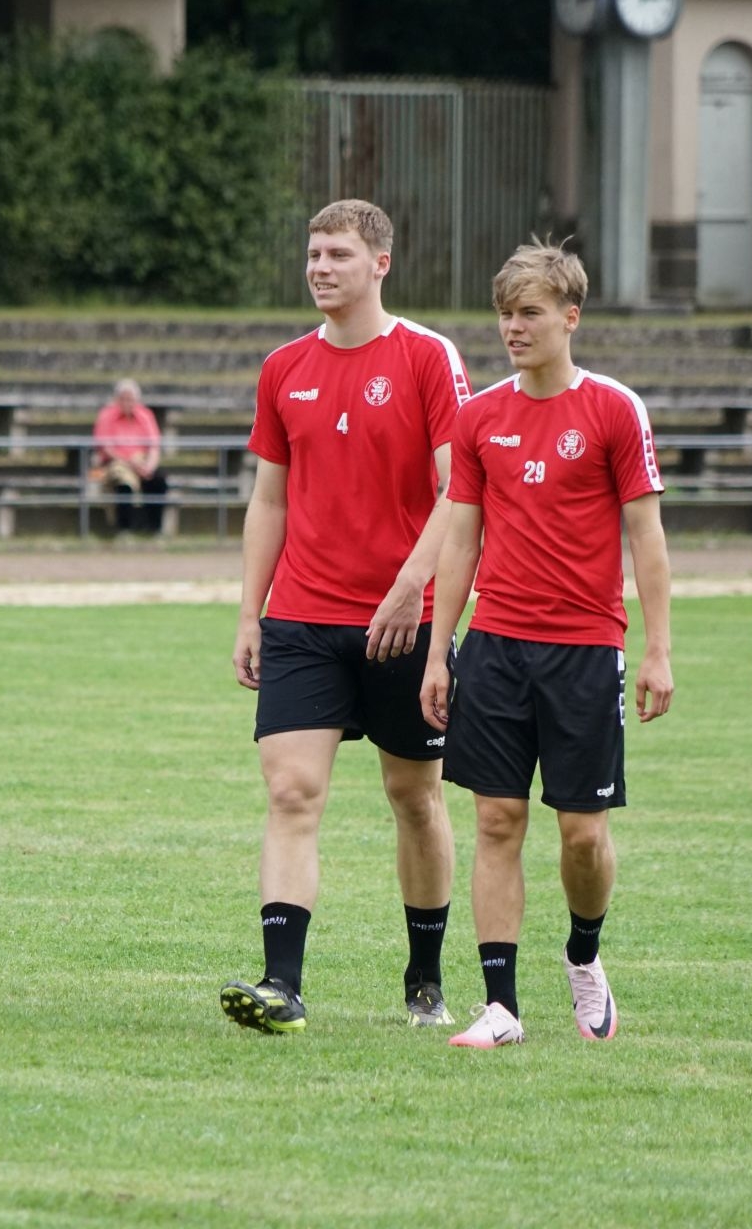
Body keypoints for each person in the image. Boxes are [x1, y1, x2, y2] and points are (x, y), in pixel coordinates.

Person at [222, 199, 472, 1034]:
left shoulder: (427, 357)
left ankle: (425, 980)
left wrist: (410, 584)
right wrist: (250, 612)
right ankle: (282, 986)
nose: (320, 268)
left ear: (380, 264)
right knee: (291, 791)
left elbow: (460, 491)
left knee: (414, 797)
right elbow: (269, 500)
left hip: (407, 623)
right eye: (313, 254)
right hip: (302, 619)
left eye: (338, 254)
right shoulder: (283, 367)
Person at [419, 239, 673, 1049]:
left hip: (586, 651)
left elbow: (647, 537)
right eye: (505, 313)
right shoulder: (479, 417)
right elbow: (460, 541)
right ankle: (501, 1006)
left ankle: (584, 955)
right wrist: (440, 651)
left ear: (571, 316)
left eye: (529, 312)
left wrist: (658, 650)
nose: (513, 327)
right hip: (495, 646)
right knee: (497, 821)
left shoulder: (614, 410)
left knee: (582, 835)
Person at [92, 378, 168, 534]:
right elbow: (106, 448)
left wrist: (149, 467)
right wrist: (131, 463)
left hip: (142, 462)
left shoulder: (145, 415)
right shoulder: (106, 415)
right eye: (123, 399)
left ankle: (154, 528)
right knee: (124, 483)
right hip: (117, 463)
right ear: (117, 399)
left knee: (158, 480)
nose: (127, 403)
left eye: (130, 399)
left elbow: (154, 446)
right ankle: (124, 529)